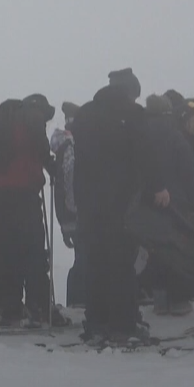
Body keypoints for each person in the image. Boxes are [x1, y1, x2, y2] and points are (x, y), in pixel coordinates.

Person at [72, 68, 168, 344]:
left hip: (88, 201)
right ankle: (123, 324)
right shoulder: (132, 115)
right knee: (120, 262)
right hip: (119, 200)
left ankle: (96, 322)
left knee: (95, 259)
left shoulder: (85, 113)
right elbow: (144, 154)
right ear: (130, 92)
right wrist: (158, 186)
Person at [0, 93, 56, 326]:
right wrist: (53, 169)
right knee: (32, 252)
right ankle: (39, 307)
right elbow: (43, 152)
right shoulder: (31, 119)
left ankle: (10, 308)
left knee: (6, 253)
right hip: (24, 193)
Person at [143, 94, 194, 316]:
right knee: (177, 250)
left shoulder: (141, 132)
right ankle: (178, 300)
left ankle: (159, 299)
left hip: (149, 202)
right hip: (177, 203)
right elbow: (188, 172)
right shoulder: (174, 135)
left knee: (155, 250)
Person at [51, 101, 84, 307]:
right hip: (79, 214)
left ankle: (77, 301)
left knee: (82, 258)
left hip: (68, 214)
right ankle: (80, 302)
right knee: (86, 259)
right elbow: (70, 181)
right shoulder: (72, 146)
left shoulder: (63, 147)